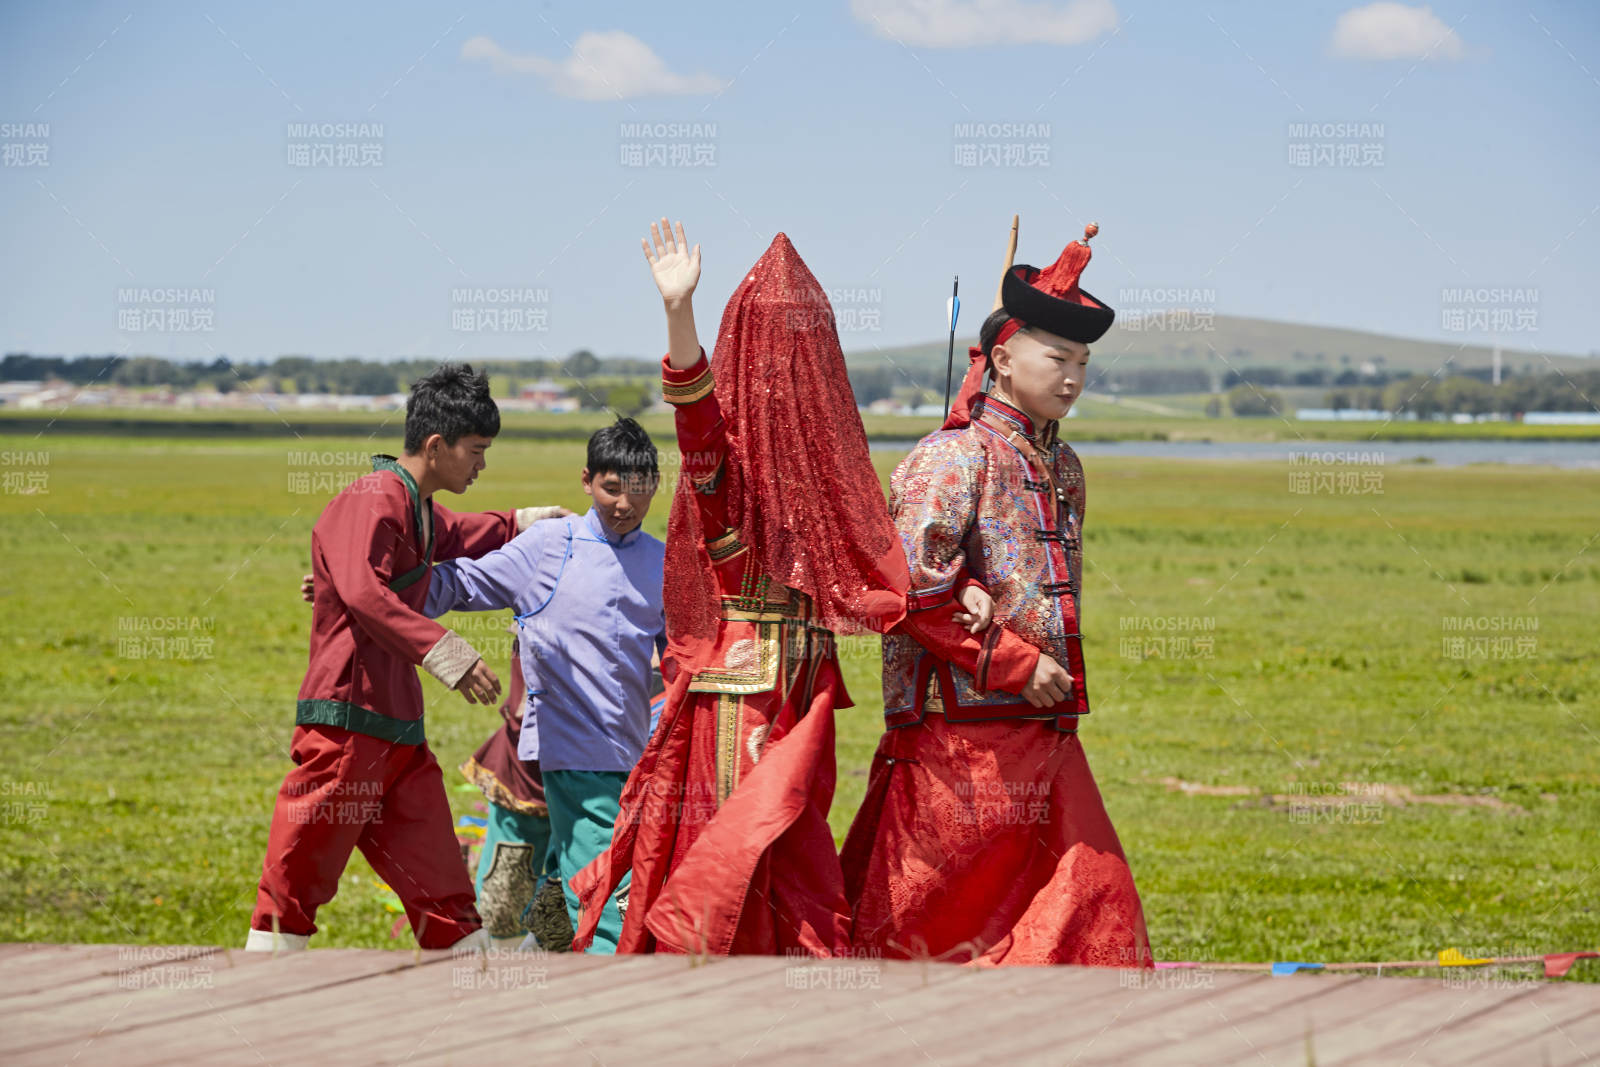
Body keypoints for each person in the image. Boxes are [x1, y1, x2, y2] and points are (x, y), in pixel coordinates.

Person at [570, 220, 909, 957]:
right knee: (745, 836)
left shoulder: (829, 482)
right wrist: (677, 312)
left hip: (803, 684)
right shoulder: (727, 469)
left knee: (795, 838)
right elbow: (696, 420)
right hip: (742, 687)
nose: (788, 375)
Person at [841, 221, 1154, 968]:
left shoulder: (1067, 467)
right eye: (1058, 355)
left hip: (1047, 732)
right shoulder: (951, 458)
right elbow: (908, 592)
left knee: (1093, 909)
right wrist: (1012, 661)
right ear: (1004, 359)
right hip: (959, 741)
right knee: (928, 931)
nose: (1074, 374)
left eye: (1083, 360)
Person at [248, 363, 562, 952]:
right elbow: (367, 593)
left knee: (438, 876)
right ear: (437, 445)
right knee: (299, 872)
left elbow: (460, 533)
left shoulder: (414, 504)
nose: (481, 464)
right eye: (476, 450)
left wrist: (529, 522)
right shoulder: (372, 499)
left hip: (398, 733)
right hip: (348, 721)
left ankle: (472, 989)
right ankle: (260, 982)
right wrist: (449, 654)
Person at [424, 417, 667, 954]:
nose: (625, 504)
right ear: (586, 481)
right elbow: (461, 582)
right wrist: (361, 585)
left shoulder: (663, 562)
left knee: (562, 890)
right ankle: (610, 1006)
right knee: (601, 893)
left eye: (639, 489)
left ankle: (533, 991)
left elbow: (682, 659)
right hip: (568, 748)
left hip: (627, 751)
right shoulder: (549, 545)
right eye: (611, 488)